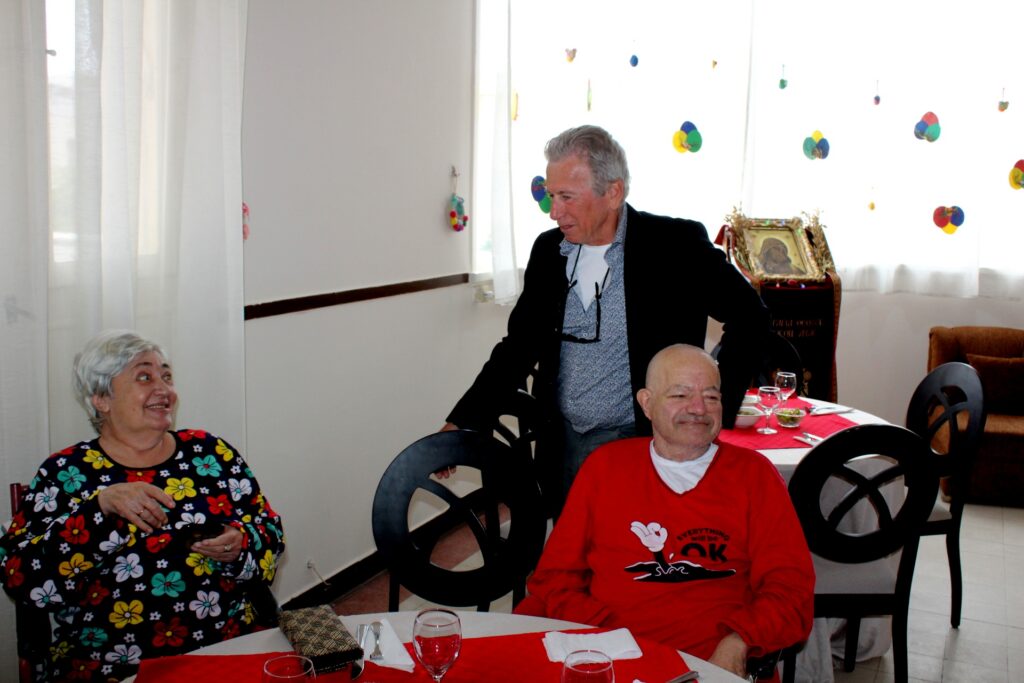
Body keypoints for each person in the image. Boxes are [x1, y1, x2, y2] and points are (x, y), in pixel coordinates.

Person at [443, 125, 770, 513]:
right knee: (572, 543)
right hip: (562, 443)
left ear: (613, 193)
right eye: (551, 196)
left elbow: (752, 316)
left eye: (567, 197)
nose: (554, 211)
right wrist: (464, 420)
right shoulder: (549, 251)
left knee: (637, 544)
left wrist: (711, 400)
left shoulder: (674, 246)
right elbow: (518, 347)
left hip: (644, 443)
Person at [514, 344, 813, 680]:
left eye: (711, 396)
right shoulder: (606, 467)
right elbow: (555, 577)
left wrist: (739, 641)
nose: (698, 408)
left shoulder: (754, 476)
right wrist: (605, 636)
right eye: (680, 395)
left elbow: (791, 592)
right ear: (647, 403)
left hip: (709, 664)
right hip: (611, 657)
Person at [0, 331, 285, 683]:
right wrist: (99, 510)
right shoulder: (65, 473)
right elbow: (20, 578)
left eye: (167, 376)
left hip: (223, 646)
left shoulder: (210, 453)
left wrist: (240, 543)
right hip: (112, 664)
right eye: (145, 377)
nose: (164, 390)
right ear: (101, 398)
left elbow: (271, 533)